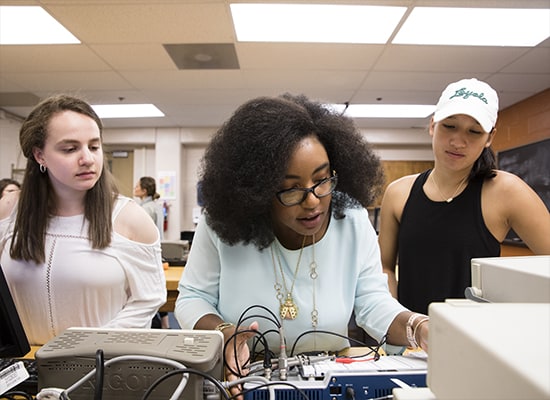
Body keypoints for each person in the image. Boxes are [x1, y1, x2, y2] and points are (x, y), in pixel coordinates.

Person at [175, 94, 429, 396]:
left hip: (331, 377)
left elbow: (373, 301)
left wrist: (418, 326)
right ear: (258, 189)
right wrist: (224, 333)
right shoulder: (220, 223)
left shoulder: (352, 219)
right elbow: (192, 298)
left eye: (322, 180)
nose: (313, 201)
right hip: (243, 381)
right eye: (291, 189)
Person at [0, 94, 167, 346]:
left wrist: (86, 348)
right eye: (70, 148)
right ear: (39, 155)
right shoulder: (9, 210)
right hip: (22, 369)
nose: (87, 158)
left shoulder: (129, 219)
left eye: (94, 146)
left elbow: (147, 301)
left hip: (96, 367)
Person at [378, 78, 550, 315]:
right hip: (410, 343)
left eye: (474, 131)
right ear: (432, 125)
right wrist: (399, 322)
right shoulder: (399, 193)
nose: (458, 141)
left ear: (489, 137)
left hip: (476, 339)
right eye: (449, 126)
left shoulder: (506, 191)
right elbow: (385, 267)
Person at [134, 176, 169, 329]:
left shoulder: (144, 209)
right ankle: (165, 323)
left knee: (147, 292)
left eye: (137, 186)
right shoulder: (156, 206)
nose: (134, 188)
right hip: (156, 253)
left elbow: (139, 235)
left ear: (144, 190)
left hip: (144, 255)